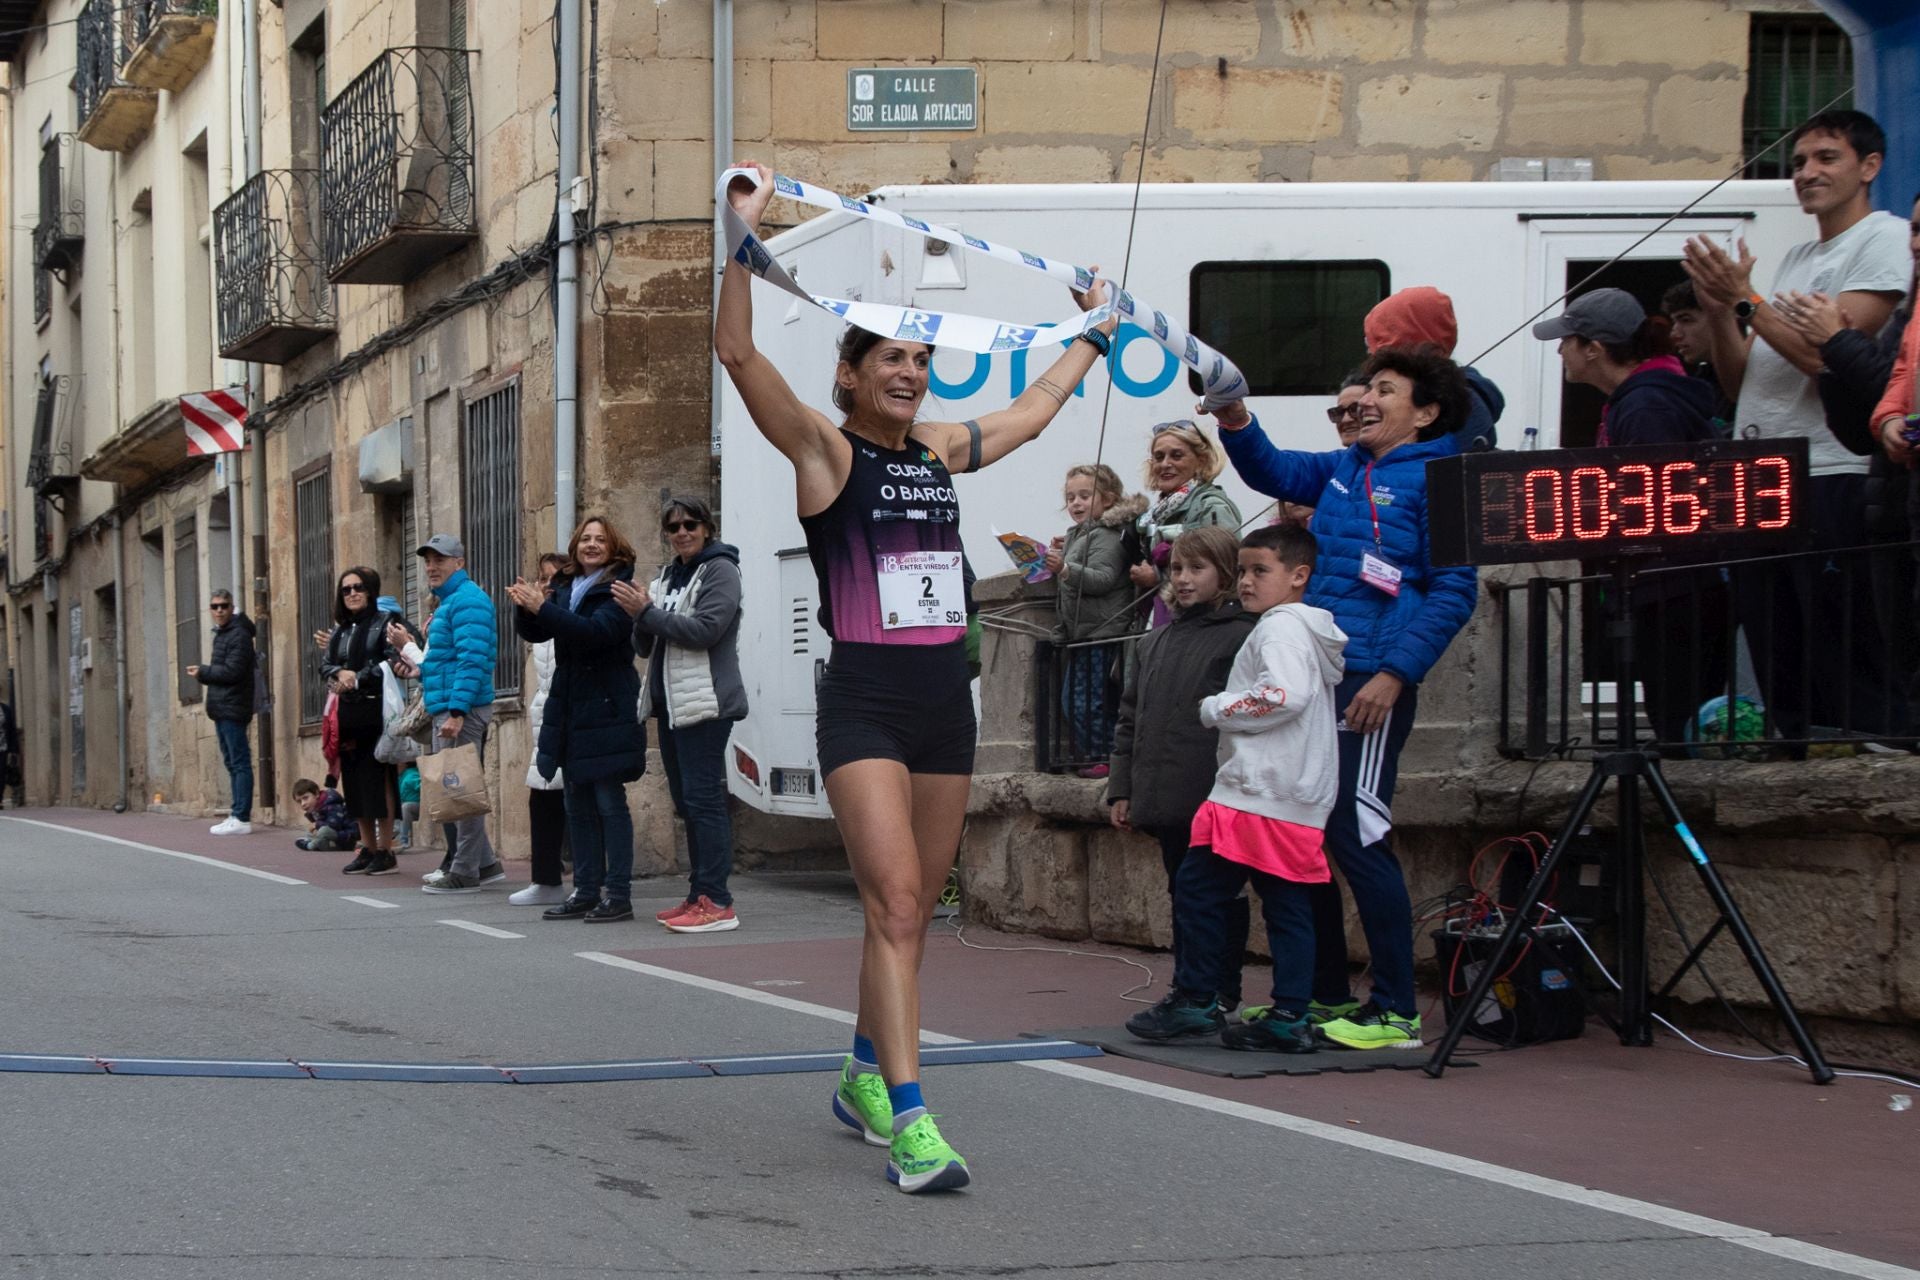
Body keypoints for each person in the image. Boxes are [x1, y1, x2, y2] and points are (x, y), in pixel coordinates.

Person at [716, 160, 1115, 1194]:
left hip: (946, 706)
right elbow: (738, 351)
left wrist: (1094, 331)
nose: (911, 370)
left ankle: (862, 1073)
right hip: (865, 706)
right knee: (894, 900)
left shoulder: (936, 450)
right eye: (891, 355)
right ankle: (912, 1121)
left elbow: (1032, 412)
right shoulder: (824, 453)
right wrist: (739, 238)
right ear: (849, 374)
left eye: (922, 357)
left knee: (909, 914)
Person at [1213, 345, 1480, 1050]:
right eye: (1365, 389)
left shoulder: (1443, 479)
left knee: (1357, 835)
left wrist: (1394, 675)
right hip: (1322, 679)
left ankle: (1395, 1012)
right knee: (1311, 831)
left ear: (1425, 413)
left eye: (1385, 391)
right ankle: (1330, 997)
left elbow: (1456, 591)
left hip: (1371, 684)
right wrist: (1233, 414)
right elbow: (1271, 469)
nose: (1364, 401)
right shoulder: (1341, 468)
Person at [1682, 109, 1911, 744]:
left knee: (1840, 654)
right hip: (1758, 474)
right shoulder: (1798, 257)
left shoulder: (1885, 238)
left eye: (1826, 158)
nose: (1807, 173)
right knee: (1777, 653)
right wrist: (1720, 311)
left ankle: (1870, 767)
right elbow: (1743, 384)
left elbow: (1827, 359)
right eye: (1800, 161)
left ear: (1869, 166)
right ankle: (1793, 758)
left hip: (1828, 470)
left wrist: (1746, 298)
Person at [1127, 525, 1347, 1052]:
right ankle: (1288, 1013)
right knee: (1284, 902)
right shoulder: (1301, 628)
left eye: (1260, 571)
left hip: (1256, 790)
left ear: (1299, 576)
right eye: (1244, 571)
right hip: (1290, 792)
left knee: (1198, 889)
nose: (1247, 582)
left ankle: (1198, 999)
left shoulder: (1280, 628)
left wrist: (1216, 708)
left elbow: (1283, 695)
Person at [1533, 289, 1727, 747]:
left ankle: (1682, 792)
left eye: (1567, 341)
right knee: (1673, 720)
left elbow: (1654, 503)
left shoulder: (1647, 406)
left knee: (1678, 724)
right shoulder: (1636, 400)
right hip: (1666, 588)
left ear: (1594, 349)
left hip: (1673, 592)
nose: (1560, 352)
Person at [1107, 525, 1256, 1025]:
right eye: (1176, 569)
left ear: (1225, 573)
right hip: (1165, 793)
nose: (1184, 579)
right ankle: (1196, 986)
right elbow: (1131, 717)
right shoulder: (1156, 641)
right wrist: (1122, 788)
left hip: (1215, 790)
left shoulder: (1243, 635)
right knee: (1184, 892)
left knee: (1211, 894)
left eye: (1198, 568)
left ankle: (1212, 990)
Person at [615, 495, 749, 934]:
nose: (682, 533)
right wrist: (638, 616)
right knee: (688, 803)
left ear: (707, 527)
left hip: (706, 703)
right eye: (673, 527)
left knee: (705, 802)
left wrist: (647, 612)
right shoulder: (667, 576)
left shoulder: (721, 570)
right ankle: (698, 894)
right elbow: (644, 646)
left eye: (690, 524)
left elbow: (706, 631)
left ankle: (718, 901)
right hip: (672, 706)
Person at [508, 516, 646, 922]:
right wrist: (527, 609)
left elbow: (593, 633)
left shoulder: (619, 589)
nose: (591, 544)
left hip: (607, 707)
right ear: (575, 546)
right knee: (577, 805)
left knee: (609, 804)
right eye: (585, 538)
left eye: (600, 539)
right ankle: (585, 891)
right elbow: (540, 632)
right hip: (571, 708)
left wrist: (543, 609)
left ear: (613, 547)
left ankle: (617, 895)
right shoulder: (568, 586)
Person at [404, 534, 505, 894]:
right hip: (448, 706)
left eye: (440, 560)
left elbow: (472, 659)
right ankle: (485, 864)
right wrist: (420, 670)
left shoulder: (467, 601)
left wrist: (458, 711)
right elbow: (448, 660)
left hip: (460, 709)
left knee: (460, 791)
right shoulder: (452, 601)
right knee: (455, 789)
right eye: (428, 561)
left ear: (459, 563)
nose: (432, 567)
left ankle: (465, 871)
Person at [1045, 463, 1146, 775]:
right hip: (1084, 634)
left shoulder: (1108, 535)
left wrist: (1064, 568)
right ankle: (1095, 755)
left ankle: (1103, 757)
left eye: (1085, 496)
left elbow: (1102, 579)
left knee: (1087, 701)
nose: (1076, 503)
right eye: (1070, 497)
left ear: (1108, 499)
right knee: (1078, 700)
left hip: (1102, 633)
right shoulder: (1082, 535)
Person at [321, 567, 408, 875]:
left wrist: (356, 678)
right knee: (354, 781)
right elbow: (326, 664)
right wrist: (338, 673)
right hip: (347, 714)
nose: (353, 593)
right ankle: (367, 847)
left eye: (358, 587)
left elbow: (394, 657)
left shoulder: (386, 622)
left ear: (370, 590)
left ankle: (386, 850)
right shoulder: (341, 630)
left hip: (376, 710)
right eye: (346, 590)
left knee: (380, 779)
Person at [1127, 421, 1242, 629]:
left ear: (1201, 461)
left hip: (1204, 624)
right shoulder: (1156, 513)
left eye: (1176, 456)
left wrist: (1157, 577)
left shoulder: (1211, 506)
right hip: (1166, 620)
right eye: (1159, 457)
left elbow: (1227, 570)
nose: (1165, 464)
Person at [1362, 285, 1504, 452]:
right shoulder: (1464, 395)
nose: (1369, 353)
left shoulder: (1460, 405)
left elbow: (1443, 466)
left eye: (1375, 341)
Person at [510, 553, 573, 907]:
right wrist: (524, 608)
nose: (548, 585)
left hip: (573, 715)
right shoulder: (542, 621)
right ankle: (546, 879)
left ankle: (595, 879)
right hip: (547, 717)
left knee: (586, 801)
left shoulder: (572, 613)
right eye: (543, 578)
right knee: (543, 796)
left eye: (556, 578)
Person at [190, 588, 257, 836]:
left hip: (233, 706)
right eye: (215, 606)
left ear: (231, 608)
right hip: (223, 706)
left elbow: (233, 671)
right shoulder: (223, 633)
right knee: (232, 762)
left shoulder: (238, 634)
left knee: (239, 762)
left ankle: (242, 817)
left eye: (224, 606)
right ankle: (236, 813)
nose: (219, 610)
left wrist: (203, 672)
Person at [1660, 278, 1734, 428]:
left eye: (1686, 320)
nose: (1675, 334)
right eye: (1674, 322)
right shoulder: (1701, 382)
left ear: (1719, 313)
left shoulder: (1756, 375)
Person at [293, 777, 354, 851]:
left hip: (347, 837)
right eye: (299, 801)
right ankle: (319, 844)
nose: (303, 804)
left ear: (316, 793)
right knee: (311, 832)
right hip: (334, 838)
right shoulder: (316, 808)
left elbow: (334, 825)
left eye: (305, 798)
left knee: (323, 831)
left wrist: (317, 826)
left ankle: (309, 846)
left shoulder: (332, 805)